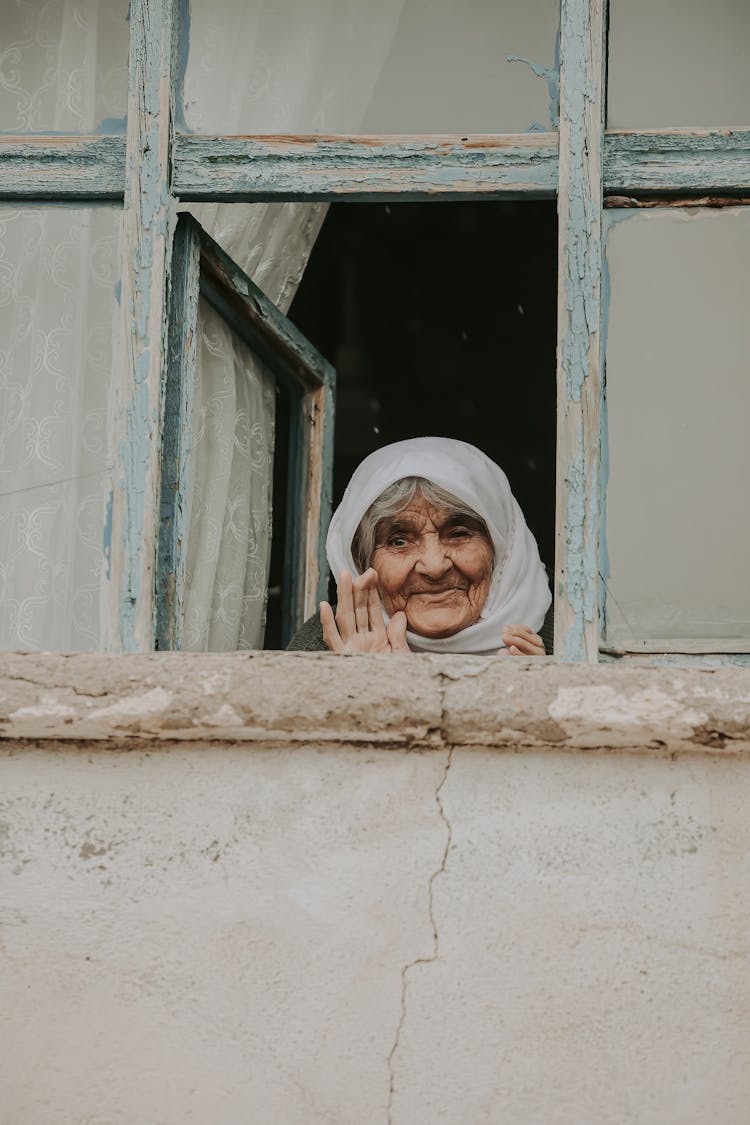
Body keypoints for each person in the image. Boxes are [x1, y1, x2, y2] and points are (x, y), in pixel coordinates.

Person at [287, 437, 553, 655]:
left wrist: (541, 699)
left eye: (459, 534)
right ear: (362, 561)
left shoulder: (567, 633)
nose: (435, 567)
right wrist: (362, 687)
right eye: (399, 541)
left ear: (502, 549)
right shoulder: (325, 644)